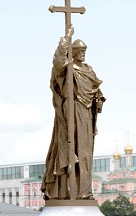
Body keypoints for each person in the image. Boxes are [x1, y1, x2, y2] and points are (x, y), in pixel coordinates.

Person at [42, 29, 106, 201]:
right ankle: (67, 190)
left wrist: (98, 100)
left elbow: (94, 90)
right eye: (79, 51)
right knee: (70, 149)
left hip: (86, 113)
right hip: (71, 112)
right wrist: (66, 39)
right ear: (73, 51)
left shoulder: (88, 70)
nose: (82, 54)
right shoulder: (67, 68)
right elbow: (58, 62)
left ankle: (84, 191)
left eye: (84, 51)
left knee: (85, 152)